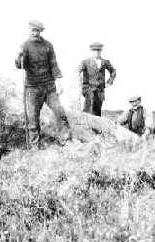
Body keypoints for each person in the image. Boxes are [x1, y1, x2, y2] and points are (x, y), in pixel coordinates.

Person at [15, 20, 71, 149]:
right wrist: (19, 55)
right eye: (32, 30)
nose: (35, 33)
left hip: (49, 86)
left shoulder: (48, 45)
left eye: (37, 30)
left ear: (40, 32)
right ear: (29, 31)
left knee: (59, 111)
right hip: (32, 87)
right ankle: (35, 147)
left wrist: (59, 82)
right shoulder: (24, 46)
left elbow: (54, 64)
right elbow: (19, 66)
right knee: (32, 118)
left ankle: (66, 140)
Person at [77, 42, 116, 116]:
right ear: (91, 51)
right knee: (88, 110)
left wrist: (109, 82)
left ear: (101, 51)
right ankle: (86, 126)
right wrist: (81, 82)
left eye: (98, 51)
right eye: (94, 51)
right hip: (89, 89)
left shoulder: (105, 62)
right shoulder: (85, 62)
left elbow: (113, 71)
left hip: (100, 91)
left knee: (97, 112)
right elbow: (76, 72)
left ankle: (95, 127)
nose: (97, 53)